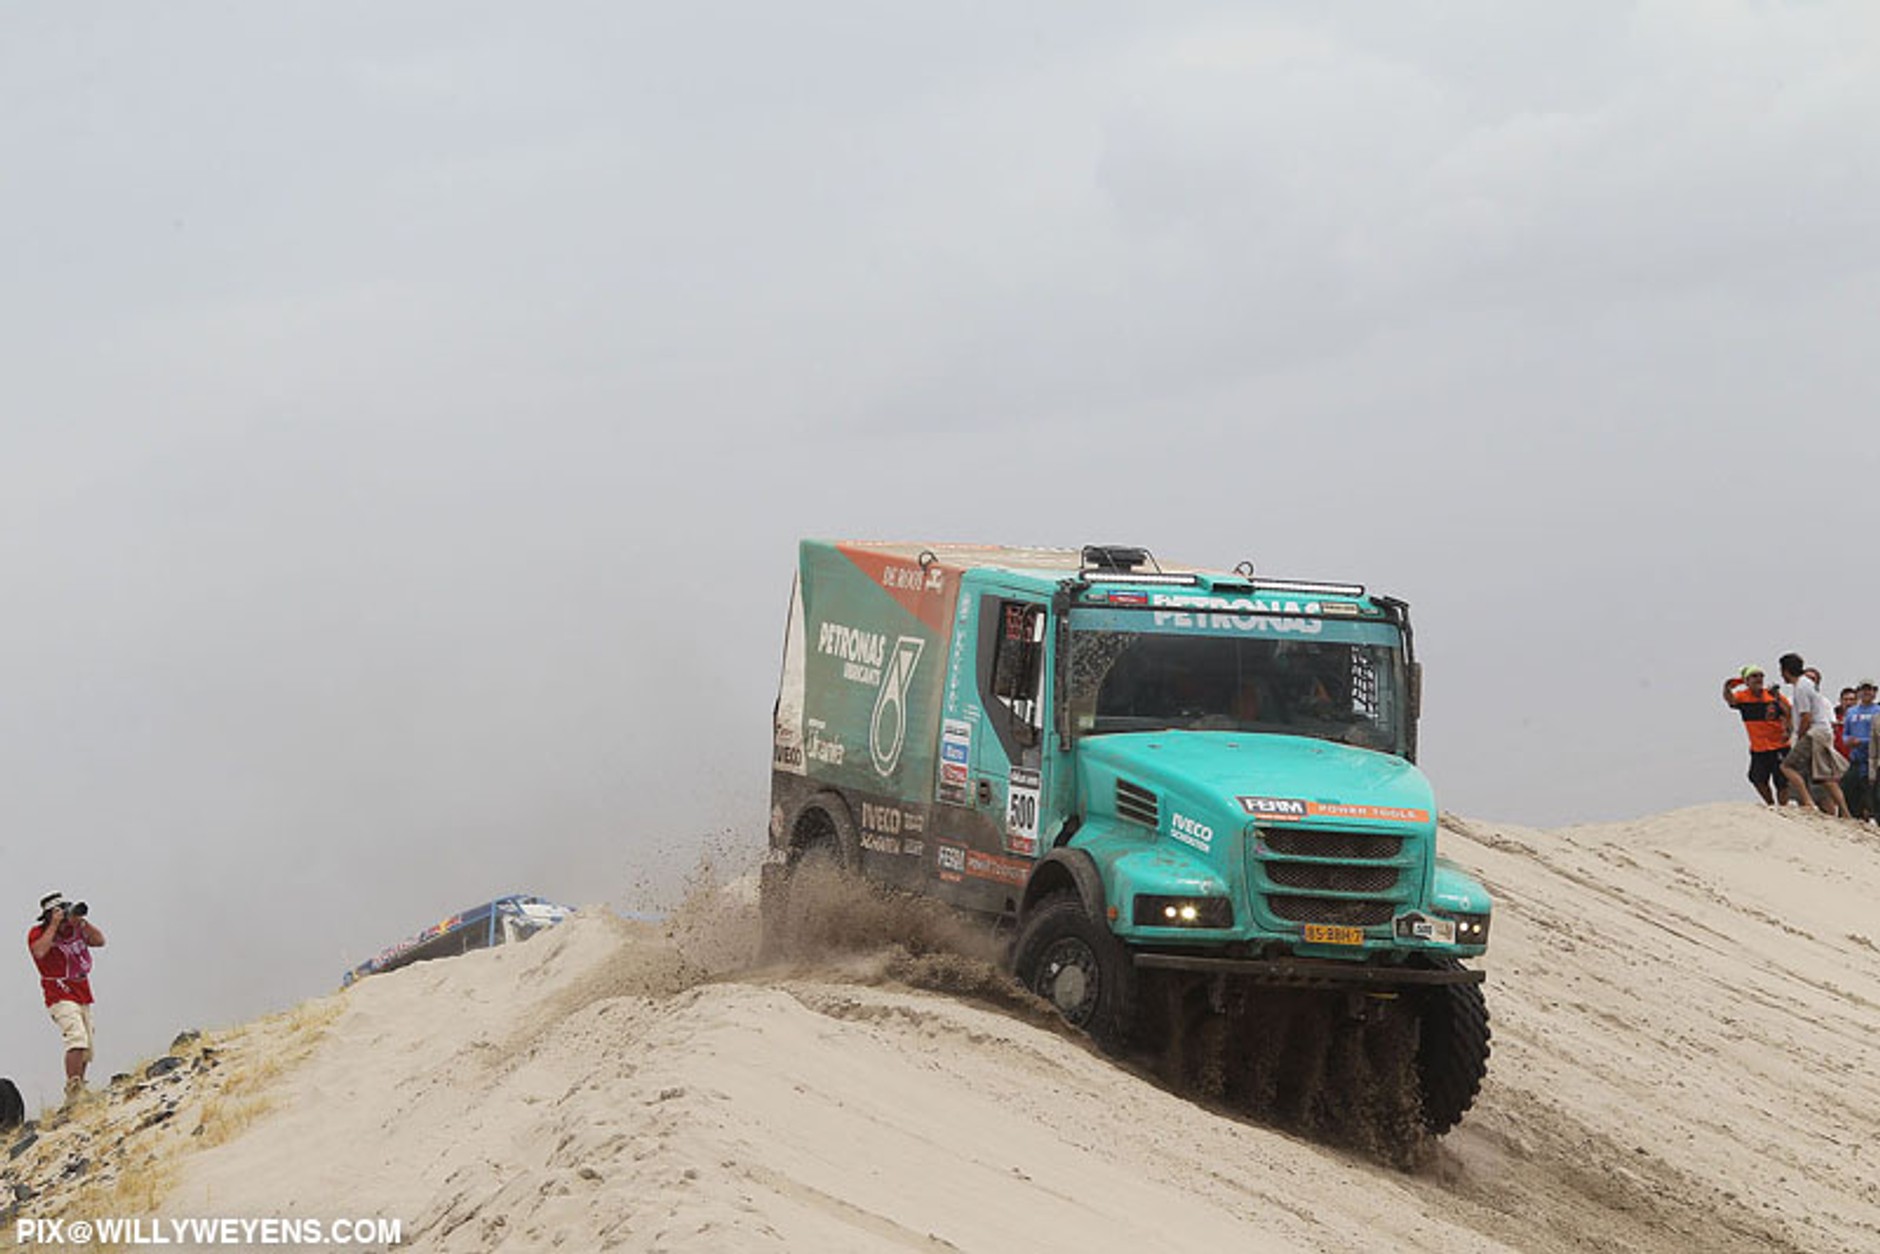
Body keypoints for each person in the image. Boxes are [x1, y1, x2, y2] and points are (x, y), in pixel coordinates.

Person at [27, 892, 105, 1104]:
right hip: (58, 992)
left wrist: (81, 922)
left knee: (87, 1044)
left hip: (81, 990)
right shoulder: (38, 933)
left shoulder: (76, 929)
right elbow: (40, 952)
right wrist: (53, 925)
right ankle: (73, 1087)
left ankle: (80, 1086)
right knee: (76, 1036)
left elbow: (100, 941)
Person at [1777, 654, 1851, 817]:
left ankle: (1808, 802)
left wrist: (1800, 737)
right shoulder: (1807, 684)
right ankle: (1845, 812)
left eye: (1781, 671)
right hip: (1822, 731)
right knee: (1824, 777)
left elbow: (1806, 717)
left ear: (1786, 670)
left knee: (1787, 766)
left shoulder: (1801, 687)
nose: (1781, 675)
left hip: (1814, 732)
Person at [1722, 665, 1792, 805]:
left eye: (1761, 676)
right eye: (1754, 676)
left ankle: (1784, 808)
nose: (1758, 679)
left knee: (1782, 781)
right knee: (1757, 778)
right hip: (1759, 747)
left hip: (1779, 745)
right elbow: (1730, 700)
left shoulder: (1772, 696)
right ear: (1746, 681)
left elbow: (1789, 713)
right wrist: (1727, 687)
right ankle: (1770, 804)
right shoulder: (1743, 696)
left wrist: (1787, 731)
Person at [1842, 681, 1879, 821]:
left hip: (1872, 762)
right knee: (1849, 791)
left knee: (1871, 797)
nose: (1866, 693)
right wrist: (1848, 741)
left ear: (1874, 692)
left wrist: (1861, 741)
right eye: (1863, 690)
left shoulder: (1877, 711)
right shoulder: (1852, 712)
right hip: (1855, 760)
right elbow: (1845, 733)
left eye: (1870, 690)